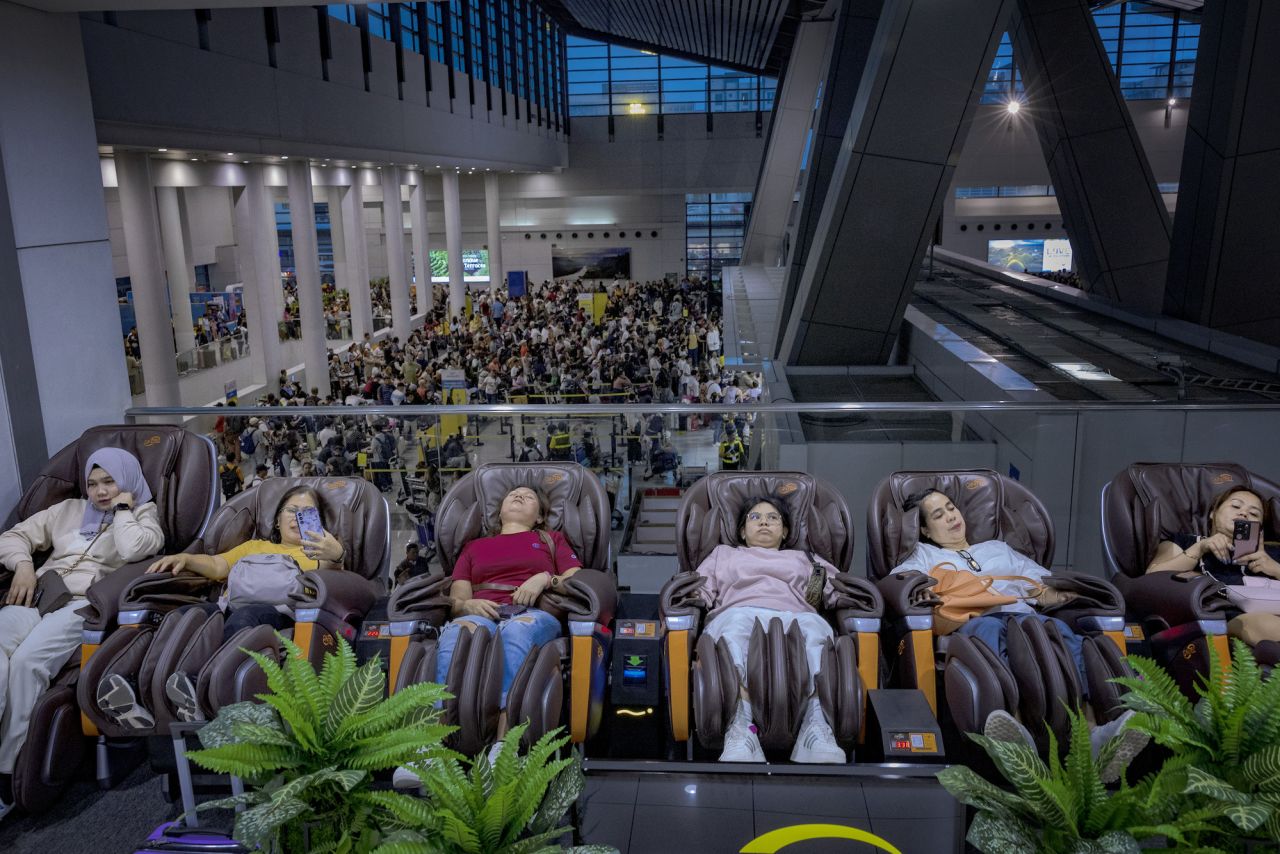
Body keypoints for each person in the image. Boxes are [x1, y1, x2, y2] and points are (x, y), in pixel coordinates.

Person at [0, 449, 164, 817]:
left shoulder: (144, 516)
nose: (100, 492)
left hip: (83, 602)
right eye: (93, 483)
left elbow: (135, 549)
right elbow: (11, 536)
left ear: (128, 481)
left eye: (110, 481)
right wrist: (24, 567)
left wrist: (123, 510)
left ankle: (8, 773)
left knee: (27, 662)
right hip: (40, 593)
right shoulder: (68, 510)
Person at [123, 485, 349, 724]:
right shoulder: (253, 547)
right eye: (291, 510)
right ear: (277, 520)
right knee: (185, 615)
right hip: (229, 606)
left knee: (245, 617)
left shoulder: (318, 554)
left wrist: (336, 554)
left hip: (278, 613)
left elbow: (333, 575)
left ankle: (204, 691)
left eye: (307, 513)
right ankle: (137, 688)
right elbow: (217, 565)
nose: (297, 517)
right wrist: (185, 558)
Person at [694, 495, 845, 764]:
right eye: (755, 517)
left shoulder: (805, 557)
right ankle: (742, 730)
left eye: (773, 517)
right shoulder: (723, 554)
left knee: (816, 629)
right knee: (735, 629)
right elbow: (701, 589)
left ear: (785, 530)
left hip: (795, 615)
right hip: (737, 611)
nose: (764, 522)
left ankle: (815, 727)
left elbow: (836, 590)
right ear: (741, 530)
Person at [890, 489, 1087, 683]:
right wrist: (919, 588)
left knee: (1057, 629)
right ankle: (1007, 711)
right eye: (938, 515)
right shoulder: (925, 554)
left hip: (1021, 616)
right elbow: (902, 578)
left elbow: (1038, 584)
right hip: (974, 619)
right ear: (925, 530)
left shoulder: (998, 548)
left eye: (951, 508)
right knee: (989, 629)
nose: (951, 517)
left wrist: (1060, 596)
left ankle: (1090, 712)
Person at [437, 485, 582, 711]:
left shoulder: (551, 539)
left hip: (532, 614)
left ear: (540, 516)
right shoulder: (473, 547)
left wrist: (545, 579)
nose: (519, 496)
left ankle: (506, 737)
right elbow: (456, 602)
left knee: (514, 632)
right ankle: (435, 733)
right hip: (483, 613)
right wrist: (467, 605)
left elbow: (577, 582)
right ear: (500, 511)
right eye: (513, 494)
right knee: (456, 634)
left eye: (529, 496)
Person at [1145, 486, 1280, 650]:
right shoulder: (1186, 543)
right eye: (1236, 506)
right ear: (1213, 513)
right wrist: (1200, 548)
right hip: (1229, 617)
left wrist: (1274, 568)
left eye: (1254, 514)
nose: (1244, 514)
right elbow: (1152, 579)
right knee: (1261, 624)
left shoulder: (1273, 552)